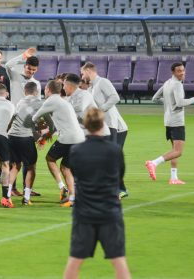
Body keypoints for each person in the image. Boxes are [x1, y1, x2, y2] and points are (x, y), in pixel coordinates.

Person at [64, 107, 131, 279]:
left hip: (84, 212)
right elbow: (119, 177)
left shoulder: (76, 150)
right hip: (110, 211)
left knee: (74, 261)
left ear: (85, 124)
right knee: (119, 262)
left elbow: (76, 174)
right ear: (102, 123)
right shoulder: (114, 150)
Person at [145, 62, 194, 185]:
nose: (182, 73)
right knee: (178, 151)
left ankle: (173, 178)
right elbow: (180, 103)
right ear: (173, 72)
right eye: (179, 71)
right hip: (177, 122)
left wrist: (168, 103)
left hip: (168, 121)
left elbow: (154, 99)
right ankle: (154, 163)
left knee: (174, 151)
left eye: (183, 70)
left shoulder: (167, 82)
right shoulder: (177, 84)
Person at [32, 80, 85, 207]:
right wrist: (48, 132)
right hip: (79, 137)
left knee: (50, 158)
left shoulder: (51, 101)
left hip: (67, 138)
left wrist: (39, 130)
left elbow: (35, 117)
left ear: (48, 90)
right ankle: (72, 197)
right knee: (66, 167)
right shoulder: (62, 101)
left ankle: (63, 187)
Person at [81, 62, 129, 198]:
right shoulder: (91, 88)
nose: (82, 76)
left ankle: (119, 189)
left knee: (111, 159)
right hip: (105, 127)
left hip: (115, 126)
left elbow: (115, 97)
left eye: (83, 73)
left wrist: (100, 111)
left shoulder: (103, 82)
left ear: (89, 71)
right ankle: (117, 188)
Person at [8, 81, 53, 205]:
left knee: (15, 166)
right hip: (25, 138)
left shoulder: (20, 102)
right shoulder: (40, 103)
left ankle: (7, 195)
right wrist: (46, 135)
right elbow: (51, 124)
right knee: (31, 167)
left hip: (12, 136)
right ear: (37, 92)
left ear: (25, 92)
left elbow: (15, 119)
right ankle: (26, 197)